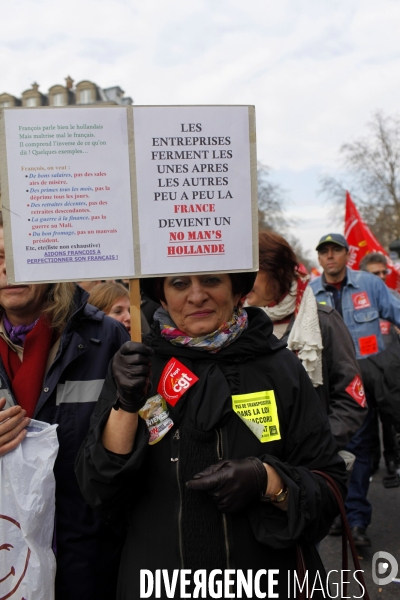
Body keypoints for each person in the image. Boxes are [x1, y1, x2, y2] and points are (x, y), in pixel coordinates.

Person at [76, 271, 346, 599]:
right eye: (179, 284)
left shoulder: (280, 368)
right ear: (161, 297)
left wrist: (268, 480)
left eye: (211, 281)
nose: (196, 295)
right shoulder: (137, 368)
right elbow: (99, 488)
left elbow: (329, 488)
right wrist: (126, 404)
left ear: (237, 291)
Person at [0, 213, 130, 600]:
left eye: (21, 252)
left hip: (87, 556)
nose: (8, 267)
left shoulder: (106, 337)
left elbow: (138, 455)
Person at [310, 233, 400, 547]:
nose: (331, 256)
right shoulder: (310, 294)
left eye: (336, 250)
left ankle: (356, 520)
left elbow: (397, 312)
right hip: (327, 387)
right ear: (319, 259)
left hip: (367, 381)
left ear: (347, 255)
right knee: (332, 450)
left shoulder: (370, 285)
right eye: (325, 252)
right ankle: (341, 510)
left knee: (360, 449)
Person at [245, 231, 367, 450]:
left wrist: (317, 446)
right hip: (257, 464)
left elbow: (351, 400)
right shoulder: (235, 326)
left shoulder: (324, 322)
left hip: (312, 464)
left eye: (252, 273)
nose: (243, 282)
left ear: (278, 272)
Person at [359, 252, 400, 475]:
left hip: (391, 370)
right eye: (376, 273)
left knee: (391, 417)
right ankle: (371, 463)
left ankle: (393, 461)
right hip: (364, 369)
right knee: (366, 420)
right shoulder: (353, 298)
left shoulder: (393, 296)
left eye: (384, 272)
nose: (382, 276)